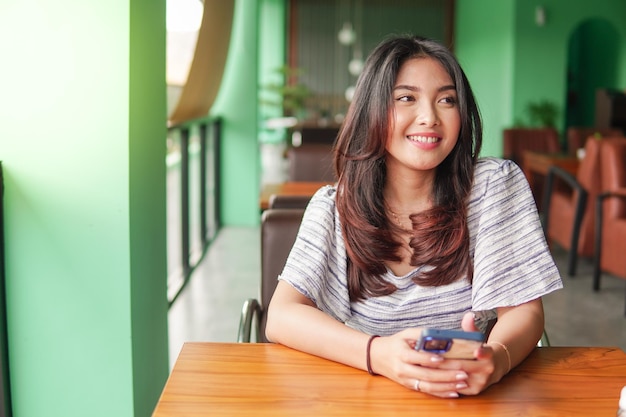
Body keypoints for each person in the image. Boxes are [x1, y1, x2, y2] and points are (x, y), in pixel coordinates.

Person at [265, 34, 562, 398]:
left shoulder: (494, 188)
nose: (429, 117)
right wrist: (379, 354)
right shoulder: (333, 207)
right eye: (406, 98)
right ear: (372, 110)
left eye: (447, 100)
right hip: (368, 398)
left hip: (470, 399)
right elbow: (280, 316)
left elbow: (524, 312)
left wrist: (496, 360)